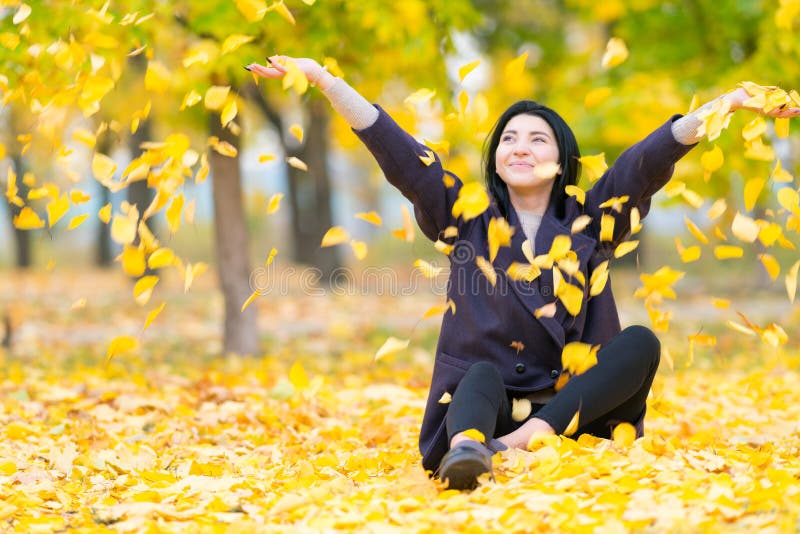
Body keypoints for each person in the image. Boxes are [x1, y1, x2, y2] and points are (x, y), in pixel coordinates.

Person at [248, 56, 800, 490]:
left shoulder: (591, 219)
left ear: (562, 160)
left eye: (538, 139)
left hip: (569, 411)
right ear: (495, 158)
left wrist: (725, 105)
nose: (520, 147)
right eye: (509, 138)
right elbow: (401, 157)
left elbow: (645, 163)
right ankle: (469, 452)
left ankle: (518, 445)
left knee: (640, 343)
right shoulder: (463, 218)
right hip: (479, 411)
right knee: (480, 375)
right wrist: (323, 81)